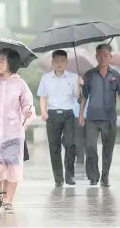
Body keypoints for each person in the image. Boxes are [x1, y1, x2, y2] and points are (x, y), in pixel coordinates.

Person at [0, 48, 35, 213]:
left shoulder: (20, 83)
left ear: (11, 62)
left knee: (13, 168)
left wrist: (27, 111)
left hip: (14, 133)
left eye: (3, 60)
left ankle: (8, 200)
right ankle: (1, 191)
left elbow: (27, 103)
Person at [79, 44, 120, 187]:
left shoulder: (116, 76)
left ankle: (105, 177)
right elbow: (84, 96)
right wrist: (81, 114)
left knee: (108, 150)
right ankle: (93, 176)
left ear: (110, 57)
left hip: (109, 118)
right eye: (100, 55)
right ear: (96, 56)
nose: (102, 58)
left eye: (105, 55)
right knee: (91, 148)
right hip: (92, 119)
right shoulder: (89, 75)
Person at [37, 50, 80, 186]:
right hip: (52, 115)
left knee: (70, 144)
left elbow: (78, 97)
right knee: (54, 147)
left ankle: (69, 175)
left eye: (62, 61)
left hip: (69, 115)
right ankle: (58, 178)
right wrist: (44, 112)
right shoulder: (46, 78)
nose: (59, 63)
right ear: (52, 62)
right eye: (57, 61)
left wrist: (80, 86)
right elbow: (43, 97)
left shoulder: (74, 78)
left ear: (67, 62)